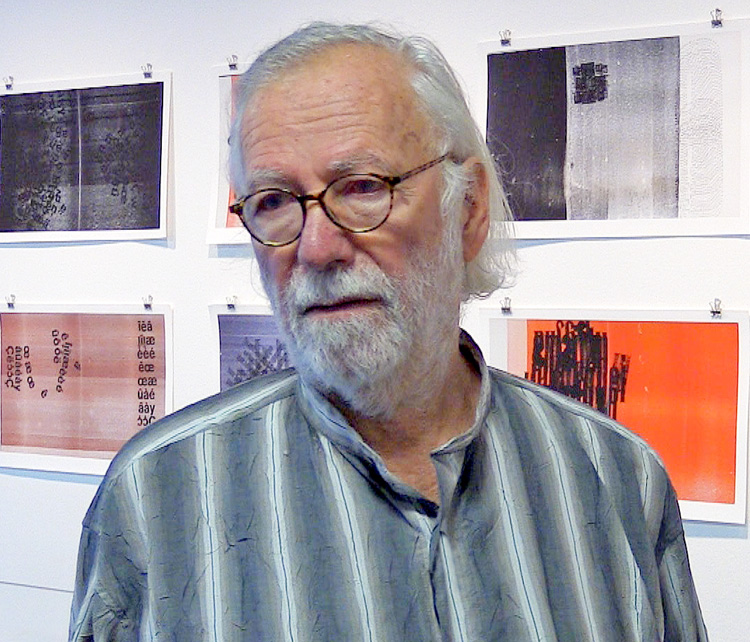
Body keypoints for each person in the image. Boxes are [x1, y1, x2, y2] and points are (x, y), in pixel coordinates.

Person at [70, 22, 708, 641]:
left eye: (363, 188)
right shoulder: (158, 499)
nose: (316, 248)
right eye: (272, 201)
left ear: (469, 210)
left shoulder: (615, 478)